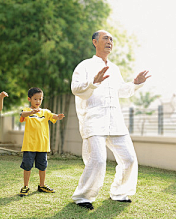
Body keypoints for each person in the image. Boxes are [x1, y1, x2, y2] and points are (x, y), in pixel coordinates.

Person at [71, 30, 151, 210]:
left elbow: (121, 90)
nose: (110, 41)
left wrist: (135, 84)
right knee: (98, 160)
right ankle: (83, 196)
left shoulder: (114, 68)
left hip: (115, 121)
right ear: (94, 42)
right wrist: (93, 82)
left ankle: (120, 192)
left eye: (111, 39)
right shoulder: (84, 66)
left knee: (129, 158)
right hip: (94, 119)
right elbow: (76, 88)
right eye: (105, 38)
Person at [19, 87, 64, 197]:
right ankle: (25, 186)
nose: (38, 101)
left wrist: (58, 117)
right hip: (29, 145)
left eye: (40, 99)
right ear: (29, 99)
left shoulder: (45, 112)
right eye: (35, 99)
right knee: (27, 166)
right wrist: (31, 112)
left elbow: (53, 116)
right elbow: (22, 115)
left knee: (42, 166)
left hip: (42, 146)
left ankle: (42, 185)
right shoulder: (26, 110)